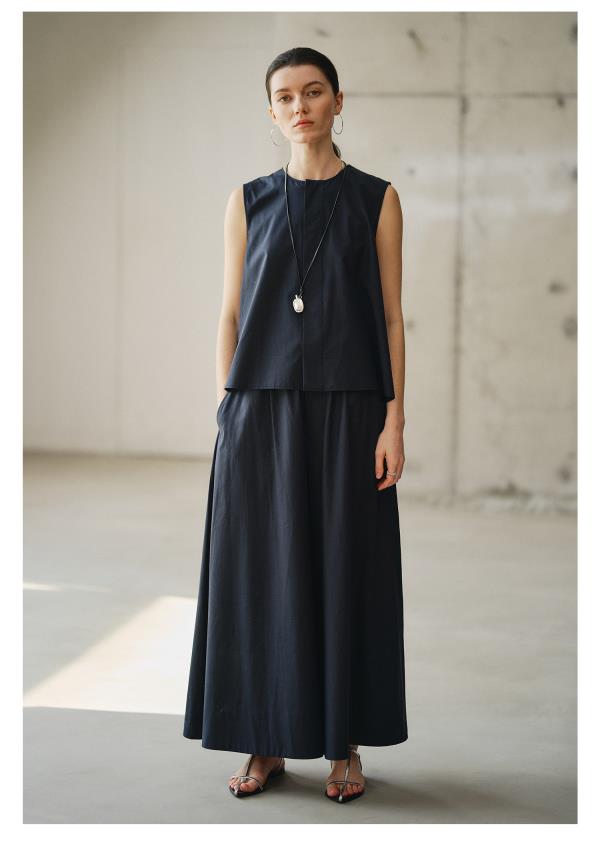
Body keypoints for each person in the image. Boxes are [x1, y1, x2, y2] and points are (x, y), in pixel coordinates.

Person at [183, 46, 407, 804]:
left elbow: (391, 317)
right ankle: (266, 739)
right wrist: (227, 405)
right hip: (260, 408)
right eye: (285, 96)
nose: (300, 106)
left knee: (345, 571)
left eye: (313, 92)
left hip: (351, 410)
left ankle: (343, 744)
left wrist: (393, 419)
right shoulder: (247, 201)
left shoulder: (377, 198)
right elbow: (230, 312)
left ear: (339, 102)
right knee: (260, 574)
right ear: (271, 112)